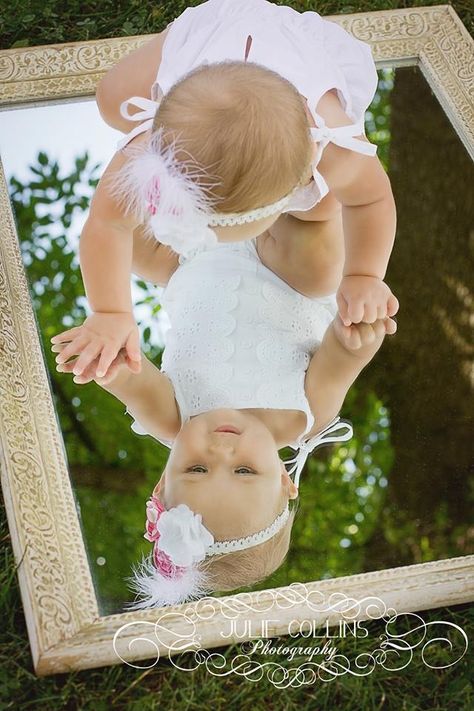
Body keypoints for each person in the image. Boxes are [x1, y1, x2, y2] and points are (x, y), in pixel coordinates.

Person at [53, 211, 397, 609]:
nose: (221, 452)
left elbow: (132, 378)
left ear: (162, 483)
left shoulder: (170, 417)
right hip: (283, 265)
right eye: (245, 471)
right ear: (286, 482)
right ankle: (302, 183)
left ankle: (173, 180)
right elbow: (342, 360)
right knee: (320, 265)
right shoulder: (303, 416)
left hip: (193, 260)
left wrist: (105, 359)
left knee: (122, 241)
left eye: (196, 469)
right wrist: (357, 338)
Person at [51, 0, 398, 382]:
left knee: (321, 213)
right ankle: (175, 49)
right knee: (111, 99)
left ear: (298, 182)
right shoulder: (147, 147)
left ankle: (280, 230)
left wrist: (365, 274)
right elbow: (106, 224)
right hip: (215, 33)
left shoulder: (338, 152)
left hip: (296, 53)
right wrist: (110, 313)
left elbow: (372, 200)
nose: (205, 241)